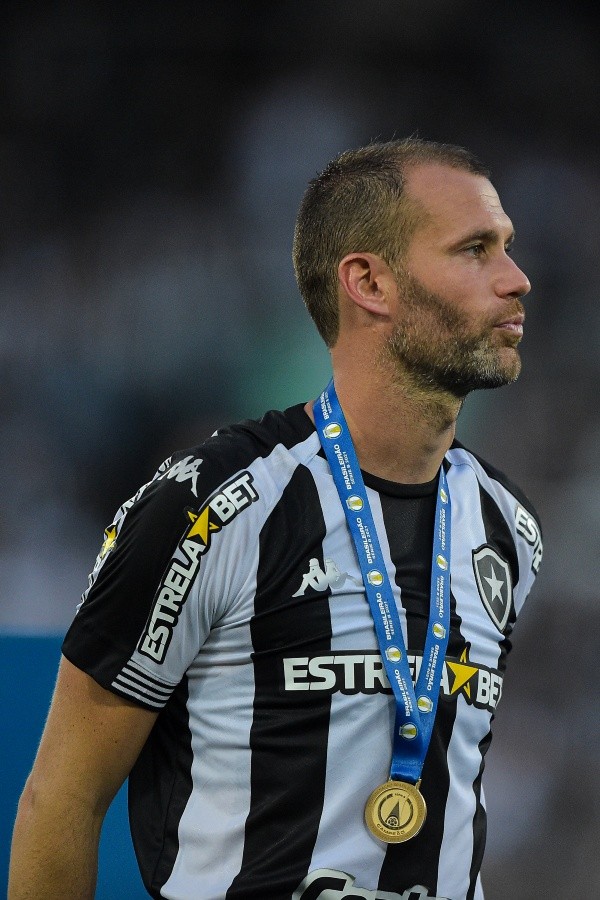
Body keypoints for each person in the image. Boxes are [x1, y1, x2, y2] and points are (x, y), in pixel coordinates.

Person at [9, 138, 543, 900]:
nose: (516, 279)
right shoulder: (211, 508)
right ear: (370, 283)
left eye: (509, 248)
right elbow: (60, 799)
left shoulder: (507, 527)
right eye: (474, 250)